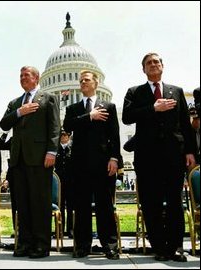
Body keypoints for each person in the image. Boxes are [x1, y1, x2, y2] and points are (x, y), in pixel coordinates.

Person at [122, 52, 196, 262]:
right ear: (143, 69)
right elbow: (127, 117)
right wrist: (152, 108)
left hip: (173, 155)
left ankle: (176, 246)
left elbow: (185, 124)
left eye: (156, 62)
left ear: (162, 66)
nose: (153, 65)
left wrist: (190, 151)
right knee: (151, 202)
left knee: (175, 202)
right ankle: (160, 246)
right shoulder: (135, 92)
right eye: (148, 63)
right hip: (147, 157)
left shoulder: (176, 91)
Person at [0, 65, 60, 258]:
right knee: (22, 203)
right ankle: (24, 242)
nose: (22, 78)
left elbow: (55, 127)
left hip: (40, 157)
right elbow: (4, 124)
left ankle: (41, 245)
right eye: (20, 75)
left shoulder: (48, 98)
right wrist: (20, 112)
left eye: (26, 75)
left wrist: (51, 151)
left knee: (40, 203)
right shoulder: (15, 102)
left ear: (37, 78)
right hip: (18, 159)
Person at [63, 70, 121, 260]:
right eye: (81, 81)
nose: (83, 83)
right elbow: (68, 126)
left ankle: (110, 245)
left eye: (86, 80)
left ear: (96, 83)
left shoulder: (109, 106)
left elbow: (114, 135)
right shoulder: (74, 109)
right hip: (80, 164)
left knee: (105, 205)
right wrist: (89, 116)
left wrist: (114, 158)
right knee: (82, 207)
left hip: (103, 163)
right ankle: (82, 245)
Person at [54, 130, 74, 239]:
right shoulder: (56, 148)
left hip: (70, 181)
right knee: (60, 206)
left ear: (69, 136)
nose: (62, 137)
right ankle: (59, 230)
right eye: (60, 135)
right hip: (59, 181)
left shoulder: (72, 147)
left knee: (71, 206)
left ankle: (71, 229)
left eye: (65, 135)